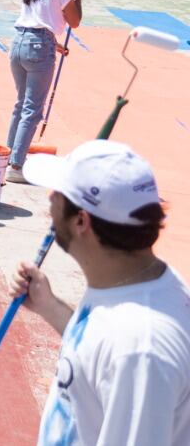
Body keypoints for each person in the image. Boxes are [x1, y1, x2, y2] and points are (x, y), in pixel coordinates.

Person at [12, 140, 190, 445]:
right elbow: (99, 358)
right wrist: (50, 306)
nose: (49, 198)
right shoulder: (134, 285)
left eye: (58, 194)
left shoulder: (140, 350)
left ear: (82, 221)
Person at [4, 0, 86, 183]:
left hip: (20, 41)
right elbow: (75, 21)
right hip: (39, 46)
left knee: (21, 105)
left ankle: (8, 156)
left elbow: (37, 18)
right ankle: (16, 165)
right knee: (32, 108)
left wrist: (53, 42)